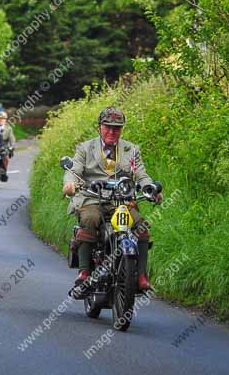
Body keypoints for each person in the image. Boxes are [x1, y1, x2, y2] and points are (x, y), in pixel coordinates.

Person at [62, 106, 162, 293]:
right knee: (90, 219)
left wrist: (151, 188)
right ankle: (84, 273)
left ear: (122, 129)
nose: (112, 131)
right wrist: (70, 184)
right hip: (92, 198)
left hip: (121, 201)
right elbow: (73, 172)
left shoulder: (131, 149)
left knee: (141, 226)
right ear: (99, 127)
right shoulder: (85, 148)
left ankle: (141, 276)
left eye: (117, 128)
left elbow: (141, 174)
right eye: (107, 127)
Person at [0, 110, 16, 182]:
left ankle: (3, 172)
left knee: (5, 158)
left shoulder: (8, 129)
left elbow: (12, 139)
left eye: (3, 119)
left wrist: (12, 146)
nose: (1, 120)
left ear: (5, 120)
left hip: (3, 146)